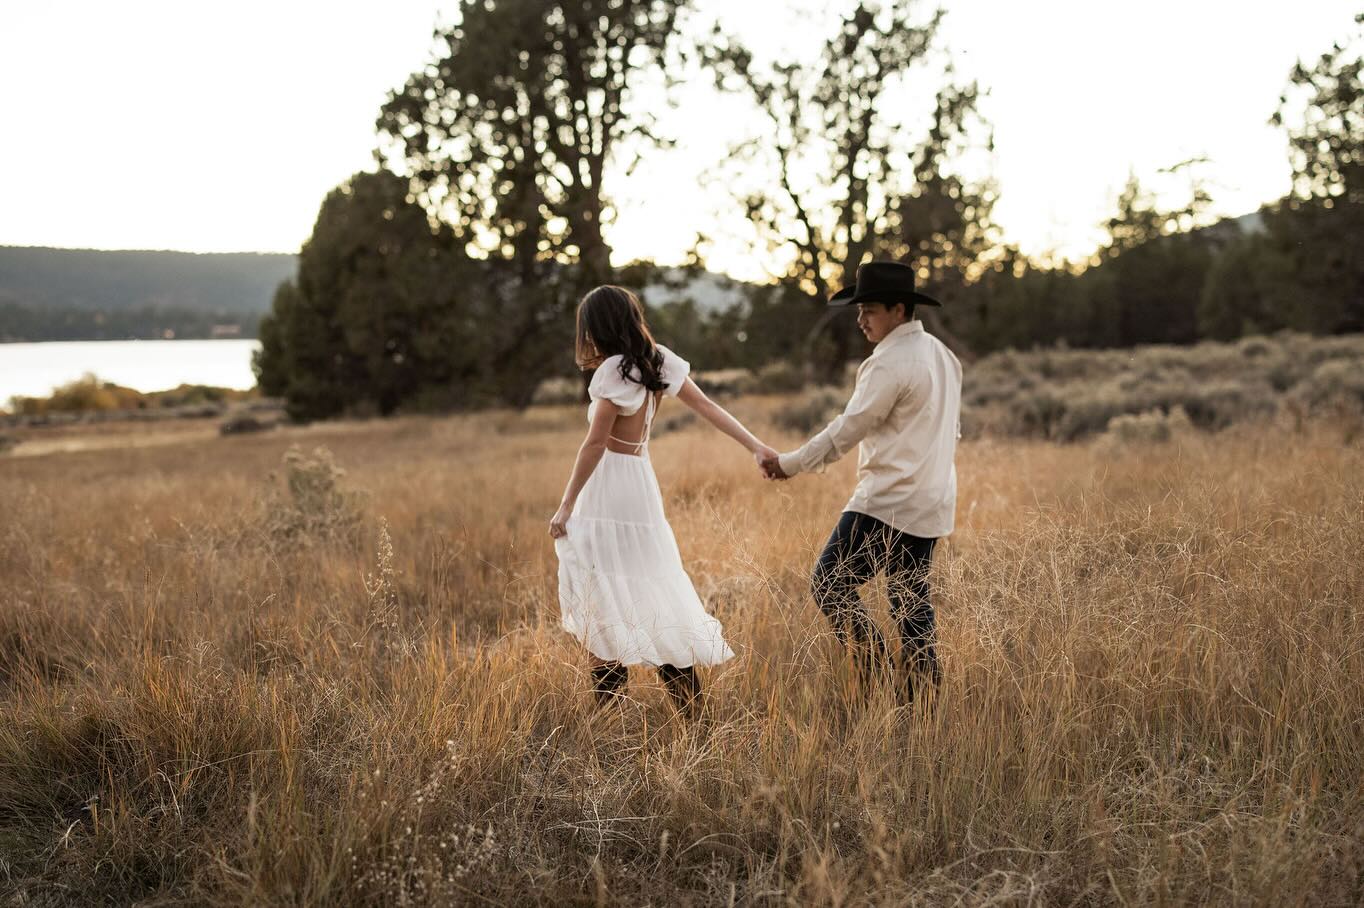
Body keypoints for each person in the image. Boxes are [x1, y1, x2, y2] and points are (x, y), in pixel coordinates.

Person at [550, 285, 778, 716]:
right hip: (640, 485)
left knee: (604, 595)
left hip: (608, 489)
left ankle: (605, 712)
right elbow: (708, 406)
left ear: (597, 327)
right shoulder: (657, 360)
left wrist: (565, 505)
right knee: (652, 590)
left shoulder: (612, 372)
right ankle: (692, 715)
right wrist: (756, 446)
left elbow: (595, 444)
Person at [760, 261, 962, 706]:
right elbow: (951, 432)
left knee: (829, 584)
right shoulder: (944, 357)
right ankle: (921, 705)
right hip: (932, 501)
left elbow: (847, 429)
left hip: (888, 501)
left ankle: (877, 680)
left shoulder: (889, 362)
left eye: (869, 309)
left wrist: (789, 464)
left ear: (898, 309)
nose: (860, 319)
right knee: (910, 604)